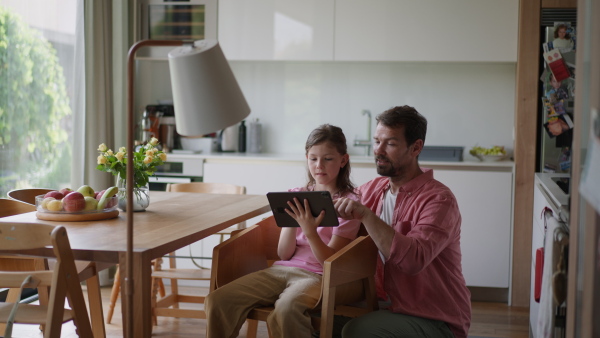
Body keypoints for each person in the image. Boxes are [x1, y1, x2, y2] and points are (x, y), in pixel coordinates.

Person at [205, 124, 362, 338]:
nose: (319, 166)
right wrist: (292, 221)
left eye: (328, 159)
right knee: (218, 300)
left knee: (286, 308)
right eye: (313, 158)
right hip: (283, 269)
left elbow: (330, 262)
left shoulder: (348, 204)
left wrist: (310, 232)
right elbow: (284, 254)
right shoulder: (296, 195)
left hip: (319, 275)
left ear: (343, 160)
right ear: (306, 157)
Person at [334, 106, 471, 338]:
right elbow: (335, 204)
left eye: (391, 143)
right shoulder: (373, 190)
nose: (378, 150)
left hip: (435, 319)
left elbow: (413, 260)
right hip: (384, 306)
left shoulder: (439, 200)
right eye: (377, 141)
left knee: (356, 332)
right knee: (315, 320)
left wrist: (366, 215)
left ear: (415, 147)